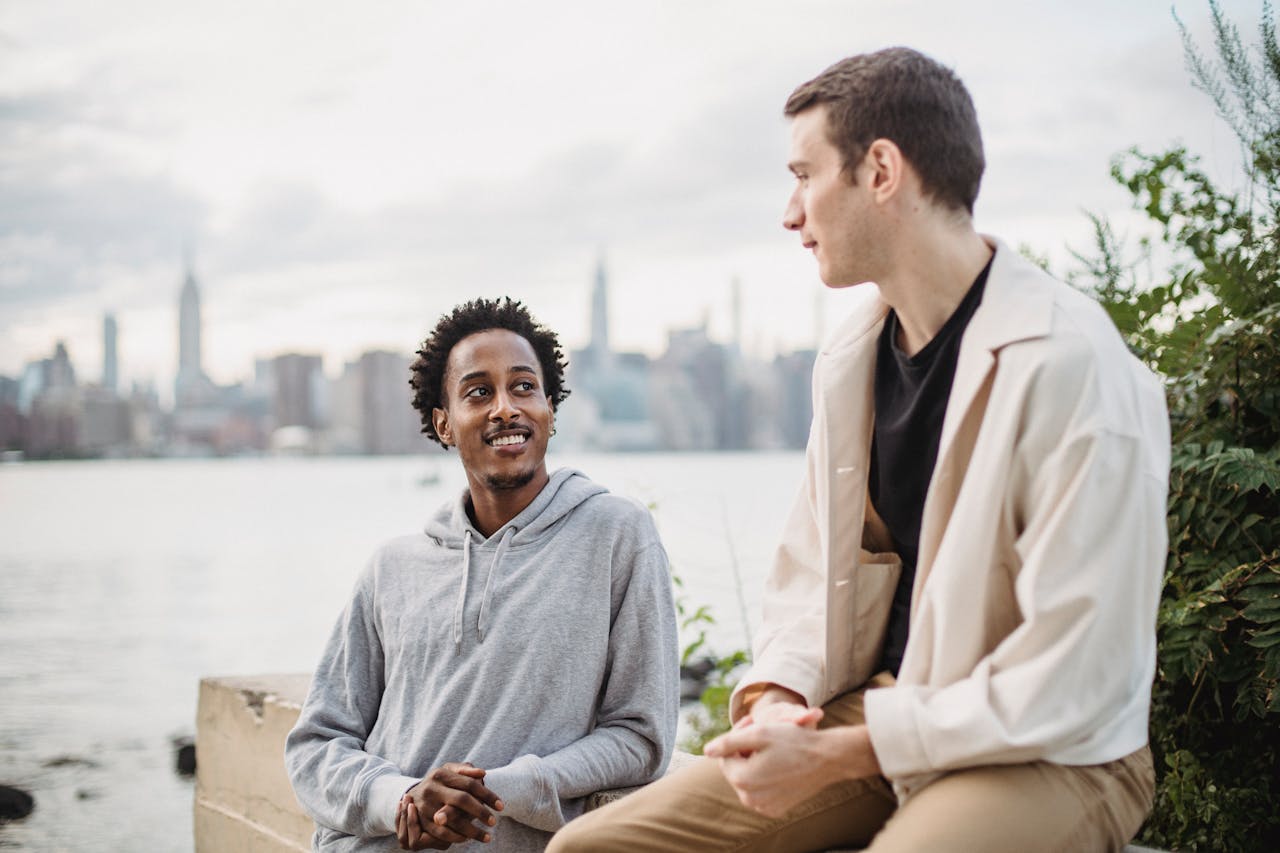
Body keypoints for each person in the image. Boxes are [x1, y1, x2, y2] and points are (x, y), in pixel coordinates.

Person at [548, 47, 1170, 852]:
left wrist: (835, 753)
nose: (790, 212)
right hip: (883, 715)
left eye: (804, 175)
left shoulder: (1069, 363)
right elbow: (810, 577)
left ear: (880, 171)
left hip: (1056, 752)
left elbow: (1078, 675)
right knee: (586, 847)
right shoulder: (851, 358)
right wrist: (779, 704)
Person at [286, 297, 679, 852]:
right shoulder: (392, 568)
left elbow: (642, 737)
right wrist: (401, 798)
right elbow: (316, 744)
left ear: (550, 409)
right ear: (443, 424)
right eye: (478, 392)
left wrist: (498, 790)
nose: (505, 409)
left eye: (523, 387)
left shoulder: (617, 534)